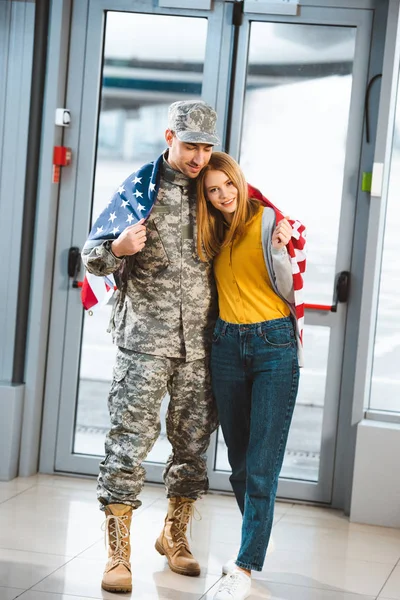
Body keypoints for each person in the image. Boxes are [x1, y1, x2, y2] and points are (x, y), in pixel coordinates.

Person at [81, 100, 220, 593]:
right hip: (144, 342)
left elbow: (251, 235)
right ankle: (118, 555)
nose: (199, 158)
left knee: (192, 449)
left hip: (201, 347)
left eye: (206, 148)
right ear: (169, 137)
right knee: (127, 446)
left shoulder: (216, 193)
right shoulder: (141, 187)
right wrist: (116, 250)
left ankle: (174, 536)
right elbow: (91, 254)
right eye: (190, 147)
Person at [196, 152, 306, 600]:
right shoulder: (211, 234)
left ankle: (244, 565)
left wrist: (286, 239)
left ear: (241, 183)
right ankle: (258, 533)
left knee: (262, 463)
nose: (223, 196)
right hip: (226, 345)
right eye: (213, 190)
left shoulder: (267, 220)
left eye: (228, 185)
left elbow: (297, 245)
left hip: (273, 345)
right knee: (239, 462)